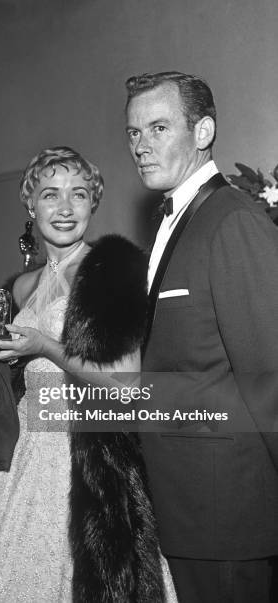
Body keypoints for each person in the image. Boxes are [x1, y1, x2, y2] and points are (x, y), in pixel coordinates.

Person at [0, 147, 176, 601]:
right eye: (50, 195)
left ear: (93, 203)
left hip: (86, 457)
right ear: (30, 204)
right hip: (20, 454)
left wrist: (44, 347)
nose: (64, 209)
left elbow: (126, 383)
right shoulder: (19, 285)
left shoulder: (112, 269)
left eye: (78, 195)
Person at [125, 71, 278, 602]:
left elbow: (269, 375)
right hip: (182, 508)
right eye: (134, 133)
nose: (141, 146)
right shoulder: (176, 221)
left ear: (204, 130)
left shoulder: (232, 221)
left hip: (227, 518)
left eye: (159, 128)